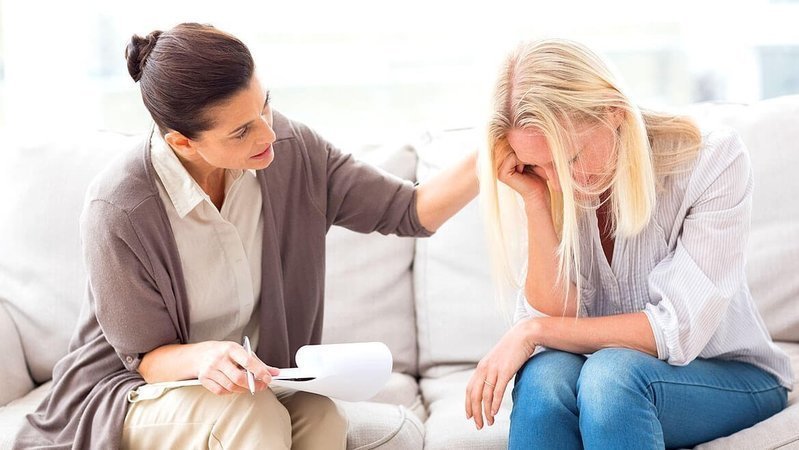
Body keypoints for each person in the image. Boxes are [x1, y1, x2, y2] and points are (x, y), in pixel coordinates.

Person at [14, 23, 478, 449]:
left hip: (248, 390)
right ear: (182, 142)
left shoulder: (293, 152)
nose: (268, 134)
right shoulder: (120, 208)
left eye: (265, 106)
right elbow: (146, 359)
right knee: (252, 416)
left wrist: (495, 151)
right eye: (241, 131)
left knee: (319, 416)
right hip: (130, 394)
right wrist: (206, 356)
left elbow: (409, 211)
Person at [465, 39, 792, 449]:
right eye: (537, 166)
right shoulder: (547, 183)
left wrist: (532, 329)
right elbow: (556, 320)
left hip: (728, 374)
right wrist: (535, 200)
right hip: (601, 376)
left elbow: (677, 329)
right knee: (543, 381)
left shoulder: (712, 159)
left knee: (611, 379)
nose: (557, 183)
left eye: (571, 159)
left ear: (613, 110)